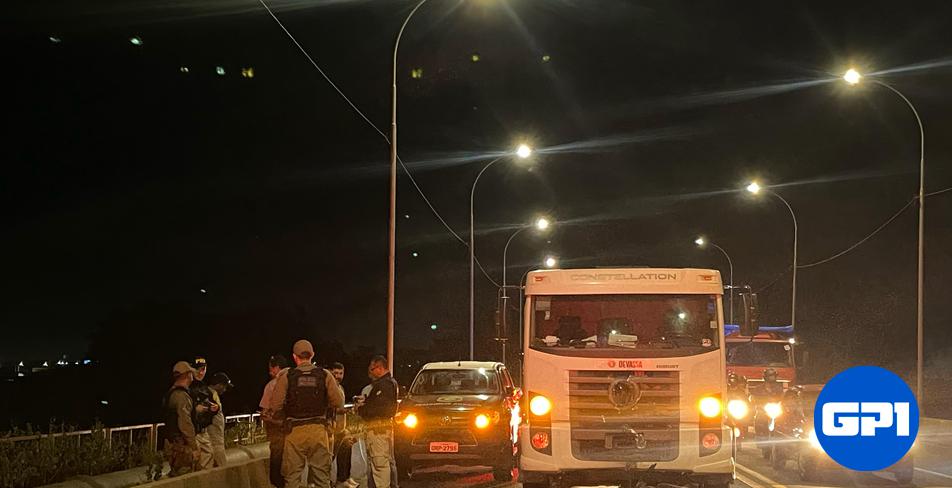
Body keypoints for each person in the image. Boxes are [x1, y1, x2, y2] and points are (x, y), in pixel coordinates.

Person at [271, 340, 345, 488]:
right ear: (312, 355)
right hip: (319, 430)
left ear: (294, 356)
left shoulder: (287, 376)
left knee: (292, 477)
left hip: (294, 431)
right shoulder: (325, 375)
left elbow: (275, 405)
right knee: (322, 477)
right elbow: (338, 402)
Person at [356, 356, 399, 488]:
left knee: (380, 464)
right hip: (380, 429)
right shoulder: (388, 383)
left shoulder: (384, 385)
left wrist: (362, 408)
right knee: (379, 463)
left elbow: (378, 409)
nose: (370, 372)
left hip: (378, 430)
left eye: (372, 369)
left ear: (380, 368)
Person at [163, 361, 200, 476]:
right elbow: (185, 423)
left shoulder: (170, 393)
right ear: (188, 375)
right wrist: (194, 447)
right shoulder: (182, 396)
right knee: (185, 476)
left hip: (172, 444)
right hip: (182, 448)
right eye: (191, 373)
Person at [261, 355, 290, 488]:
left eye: (270, 368)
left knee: (276, 472)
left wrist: (266, 416)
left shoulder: (272, 385)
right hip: (297, 430)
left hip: (278, 431)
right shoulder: (295, 380)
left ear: (277, 367)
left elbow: (266, 409)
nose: (269, 372)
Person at [190, 357, 220, 470]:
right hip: (191, 433)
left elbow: (212, 404)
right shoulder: (186, 387)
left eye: (203, 369)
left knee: (208, 457)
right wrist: (195, 410)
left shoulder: (204, 387)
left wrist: (214, 408)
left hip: (203, 431)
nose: (200, 372)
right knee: (192, 462)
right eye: (198, 369)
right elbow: (181, 411)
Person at [329, 362, 356, 488]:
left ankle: (343, 478)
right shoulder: (329, 388)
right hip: (332, 429)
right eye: (335, 373)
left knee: (346, 450)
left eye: (340, 373)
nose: (338, 376)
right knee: (330, 457)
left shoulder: (341, 388)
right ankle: (327, 482)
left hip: (341, 427)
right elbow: (330, 408)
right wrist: (343, 411)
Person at [208, 372, 234, 467]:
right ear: (218, 385)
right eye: (224, 386)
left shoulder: (212, 394)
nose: (225, 389)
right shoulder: (210, 394)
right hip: (214, 440)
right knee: (222, 467)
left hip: (215, 438)